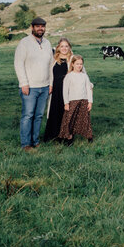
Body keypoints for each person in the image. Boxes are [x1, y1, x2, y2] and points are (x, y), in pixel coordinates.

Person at [14, 17, 53, 151]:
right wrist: (24, 83)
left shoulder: (47, 43)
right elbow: (18, 64)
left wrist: (51, 84)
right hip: (30, 87)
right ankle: (26, 144)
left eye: (42, 26)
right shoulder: (24, 43)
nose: (40, 29)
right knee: (28, 115)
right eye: (37, 26)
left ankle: (35, 141)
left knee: (39, 116)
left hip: (45, 86)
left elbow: (51, 65)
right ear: (32, 27)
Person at [58, 54, 94, 144]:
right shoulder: (69, 76)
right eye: (77, 64)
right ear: (73, 64)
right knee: (70, 119)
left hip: (83, 101)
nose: (79, 66)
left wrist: (90, 101)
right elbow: (65, 90)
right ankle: (69, 137)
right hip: (72, 101)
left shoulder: (84, 76)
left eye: (81, 64)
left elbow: (88, 89)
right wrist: (66, 103)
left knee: (85, 119)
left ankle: (89, 136)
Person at [43, 37, 73, 142]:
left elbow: (82, 74)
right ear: (58, 48)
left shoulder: (73, 59)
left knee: (66, 113)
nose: (64, 48)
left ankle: (66, 136)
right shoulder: (54, 59)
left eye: (66, 46)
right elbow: (50, 74)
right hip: (56, 91)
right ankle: (53, 136)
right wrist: (50, 85)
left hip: (68, 91)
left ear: (69, 47)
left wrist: (89, 86)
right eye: (62, 46)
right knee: (54, 112)